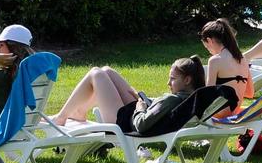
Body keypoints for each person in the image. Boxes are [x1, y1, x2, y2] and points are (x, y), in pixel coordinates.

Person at [52, 56, 206, 135]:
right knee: (106, 71)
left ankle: (62, 116)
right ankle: (79, 111)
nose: (168, 83)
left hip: (124, 123)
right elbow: (158, 113)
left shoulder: (173, 99)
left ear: (187, 79)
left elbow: (141, 125)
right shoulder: (190, 98)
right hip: (135, 112)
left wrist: (140, 107)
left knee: (96, 73)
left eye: (173, 79)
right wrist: (146, 101)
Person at [200, 18, 254, 103]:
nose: (209, 52)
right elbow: (250, 93)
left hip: (221, 113)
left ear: (209, 41)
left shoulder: (215, 61)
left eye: (207, 48)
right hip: (236, 112)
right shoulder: (243, 59)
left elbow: (209, 96)